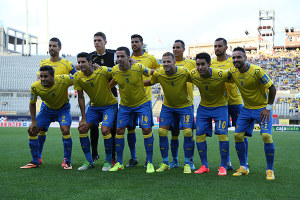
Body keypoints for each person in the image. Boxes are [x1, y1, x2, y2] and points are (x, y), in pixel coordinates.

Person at [228, 47, 276, 180]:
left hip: (262, 109)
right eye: (234, 57)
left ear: (245, 58)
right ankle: (243, 167)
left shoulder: (256, 71)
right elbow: (222, 78)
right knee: (237, 135)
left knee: (266, 136)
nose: (236, 60)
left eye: (239, 57)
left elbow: (272, 88)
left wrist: (268, 107)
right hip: (246, 108)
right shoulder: (232, 71)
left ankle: (270, 170)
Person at [144, 52, 194, 173]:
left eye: (168, 61)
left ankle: (187, 163)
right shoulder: (159, 73)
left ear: (174, 62)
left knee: (187, 132)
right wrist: (131, 82)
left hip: (184, 106)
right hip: (168, 107)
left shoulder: (184, 72)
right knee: (162, 131)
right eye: (163, 61)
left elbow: (198, 79)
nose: (165, 64)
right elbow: (150, 82)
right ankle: (166, 162)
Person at [109, 47, 155, 173]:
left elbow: (152, 72)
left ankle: (150, 162)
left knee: (146, 129)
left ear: (129, 57)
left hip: (142, 104)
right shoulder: (115, 71)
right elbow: (111, 83)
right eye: (118, 56)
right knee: (119, 129)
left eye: (122, 56)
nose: (119, 59)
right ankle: (119, 163)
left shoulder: (138, 67)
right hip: (125, 106)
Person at [20, 66, 73, 169]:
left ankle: (67, 161)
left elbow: (79, 78)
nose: (43, 79)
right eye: (41, 76)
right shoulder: (35, 86)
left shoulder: (64, 79)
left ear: (53, 76)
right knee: (32, 131)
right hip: (46, 111)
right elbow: (32, 103)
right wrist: (33, 121)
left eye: (46, 76)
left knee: (65, 130)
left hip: (63, 110)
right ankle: (35, 161)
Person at [74, 52, 118, 171]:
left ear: (90, 62)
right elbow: (81, 97)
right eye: (79, 62)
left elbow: (117, 71)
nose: (80, 64)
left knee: (105, 130)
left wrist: (131, 62)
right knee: (82, 128)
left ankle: (108, 161)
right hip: (94, 107)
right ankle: (89, 160)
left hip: (110, 105)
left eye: (83, 62)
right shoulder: (78, 77)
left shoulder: (102, 70)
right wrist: (83, 117)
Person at [36, 37, 77, 167]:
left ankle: (66, 160)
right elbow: (38, 79)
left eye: (54, 46)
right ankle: (38, 157)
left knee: (65, 130)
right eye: (50, 46)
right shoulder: (43, 62)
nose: (51, 48)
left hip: (62, 106)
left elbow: (77, 76)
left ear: (60, 48)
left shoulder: (66, 63)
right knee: (39, 130)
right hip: (46, 105)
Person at [190, 52, 231, 176]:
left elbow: (237, 76)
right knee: (199, 135)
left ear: (209, 64)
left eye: (203, 64)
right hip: (203, 108)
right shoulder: (193, 74)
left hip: (220, 107)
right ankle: (204, 166)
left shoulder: (221, 74)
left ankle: (223, 166)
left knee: (222, 134)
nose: (200, 67)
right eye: (198, 64)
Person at [210, 37, 246, 170]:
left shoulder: (234, 61)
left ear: (226, 48)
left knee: (241, 133)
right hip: (220, 104)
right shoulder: (211, 63)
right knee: (222, 134)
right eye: (215, 46)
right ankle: (227, 162)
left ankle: (244, 162)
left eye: (219, 46)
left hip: (235, 102)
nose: (217, 48)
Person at [126, 34, 160, 168]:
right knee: (130, 128)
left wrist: (146, 83)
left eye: (136, 42)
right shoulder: (127, 58)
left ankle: (148, 158)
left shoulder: (150, 58)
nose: (134, 44)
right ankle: (133, 158)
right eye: (132, 42)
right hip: (128, 101)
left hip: (144, 100)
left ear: (142, 43)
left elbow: (158, 73)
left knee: (147, 129)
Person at [87, 32, 118, 164]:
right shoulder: (90, 57)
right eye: (95, 40)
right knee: (93, 128)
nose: (96, 43)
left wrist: (107, 86)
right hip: (95, 98)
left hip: (111, 97)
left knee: (112, 129)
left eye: (99, 40)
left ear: (105, 42)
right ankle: (94, 154)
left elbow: (118, 73)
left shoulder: (113, 54)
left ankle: (112, 156)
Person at [170, 40, 196, 170]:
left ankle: (190, 160)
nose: (175, 49)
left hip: (187, 105)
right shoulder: (168, 62)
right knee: (174, 133)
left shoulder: (192, 63)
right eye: (174, 47)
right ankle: (174, 160)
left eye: (178, 47)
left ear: (184, 49)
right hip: (171, 105)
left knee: (189, 133)